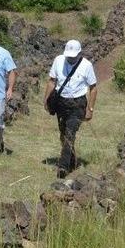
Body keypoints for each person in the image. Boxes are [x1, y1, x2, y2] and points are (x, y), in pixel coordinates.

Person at [44, 39, 97, 178]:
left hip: (78, 104)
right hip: (61, 102)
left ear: (80, 54)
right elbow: (51, 81)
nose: (71, 58)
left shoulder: (87, 66)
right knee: (63, 135)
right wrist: (46, 100)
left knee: (70, 133)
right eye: (69, 55)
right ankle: (72, 160)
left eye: (74, 56)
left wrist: (90, 109)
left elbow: (93, 88)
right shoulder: (58, 60)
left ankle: (63, 167)